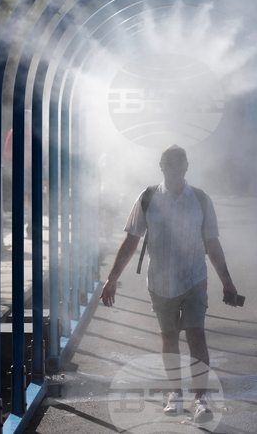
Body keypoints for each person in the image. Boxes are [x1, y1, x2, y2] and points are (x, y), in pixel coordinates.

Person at [99, 144, 239, 423]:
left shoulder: (200, 199)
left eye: (180, 163)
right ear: (161, 165)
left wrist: (227, 282)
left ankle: (200, 399)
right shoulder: (148, 197)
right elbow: (131, 240)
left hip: (194, 279)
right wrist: (112, 278)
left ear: (187, 166)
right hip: (161, 281)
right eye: (170, 163)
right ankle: (176, 393)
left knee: (196, 335)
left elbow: (212, 243)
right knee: (169, 338)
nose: (175, 168)